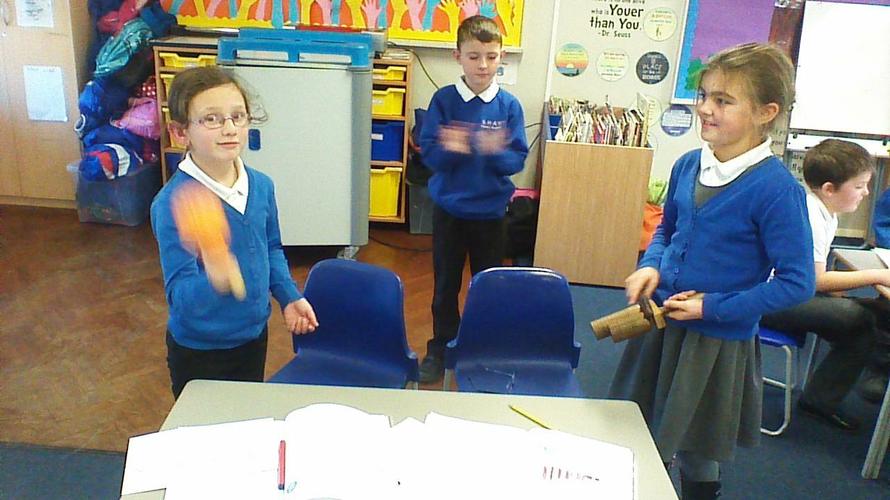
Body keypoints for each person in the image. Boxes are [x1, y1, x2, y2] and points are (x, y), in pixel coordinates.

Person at [608, 43, 815, 499]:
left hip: (714, 342)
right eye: (704, 96)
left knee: (695, 449)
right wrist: (651, 266)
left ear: (766, 112)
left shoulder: (777, 190)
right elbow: (667, 229)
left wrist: (712, 307)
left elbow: (798, 282)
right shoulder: (688, 164)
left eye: (723, 101)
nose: (705, 109)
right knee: (640, 427)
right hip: (662, 326)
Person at [150, 66, 318, 399]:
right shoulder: (171, 204)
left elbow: (271, 248)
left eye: (237, 116)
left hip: (253, 336)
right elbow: (179, 297)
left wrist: (288, 295)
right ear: (180, 132)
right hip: (200, 349)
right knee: (206, 427)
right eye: (211, 119)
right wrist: (214, 277)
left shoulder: (261, 186)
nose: (229, 128)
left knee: (244, 416)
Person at [416, 15, 529, 383]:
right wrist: (453, 148)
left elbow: (517, 159)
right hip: (450, 211)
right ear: (458, 57)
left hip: (491, 214)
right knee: (445, 286)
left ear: (501, 57)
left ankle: (482, 348)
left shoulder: (508, 106)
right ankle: (441, 347)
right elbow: (430, 156)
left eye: (491, 57)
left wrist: (492, 152)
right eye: (474, 56)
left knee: (488, 287)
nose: (483, 65)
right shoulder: (444, 101)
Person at [761, 139, 887, 430]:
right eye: (859, 186)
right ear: (829, 189)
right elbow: (816, 279)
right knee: (859, 316)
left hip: (784, 293)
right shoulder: (811, 216)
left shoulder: (823, 211)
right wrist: (879, 276)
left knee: (867, 319)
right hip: (768, 300)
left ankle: (821, 400)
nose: (866, 193)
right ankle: (826, 398)